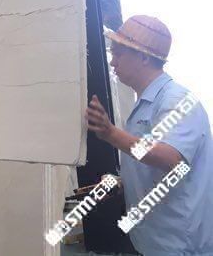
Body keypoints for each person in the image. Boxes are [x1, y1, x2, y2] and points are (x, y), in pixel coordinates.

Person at [86, 15, 213, 256]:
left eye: (118, 53)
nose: (112, 62)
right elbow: (149, 158)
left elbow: (171, 158)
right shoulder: (146, 104)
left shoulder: (177, 100)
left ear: (144, 57)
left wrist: (111, 133)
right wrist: (124, 182)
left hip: (180, 246)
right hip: (154, 242)